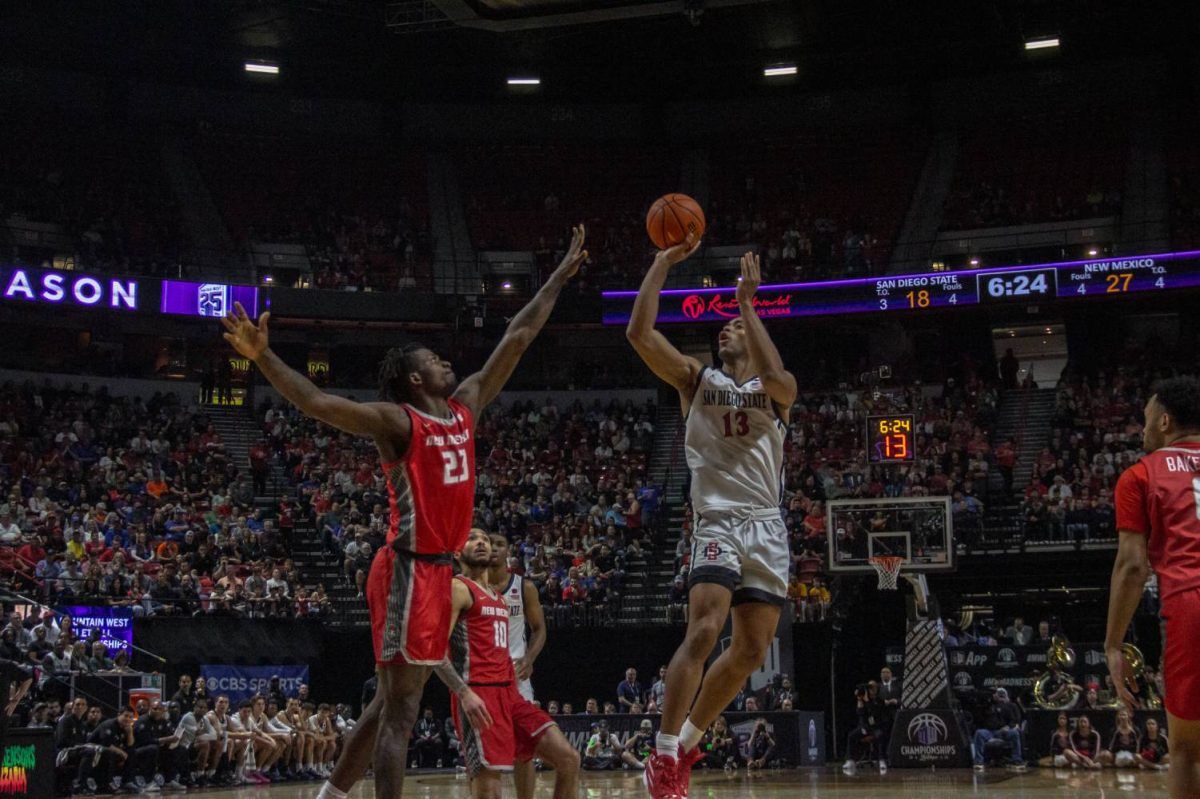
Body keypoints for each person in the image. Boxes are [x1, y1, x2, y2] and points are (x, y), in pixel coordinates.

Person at [223, 225, 587, 799]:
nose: (447, 362)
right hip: (407, 569)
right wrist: (263, 355)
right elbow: (319, 402)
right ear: (416, 378)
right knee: (402, 711)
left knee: (389, 704)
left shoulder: (464, 406)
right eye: (435, 359)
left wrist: (557, 281)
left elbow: (516, 338)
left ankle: (331, 795)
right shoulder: (398, 422)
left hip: (438, 571)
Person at [627, 243, 797, 799]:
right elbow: (639, 334)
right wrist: (662, 264)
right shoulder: (696, 380)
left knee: (749, 651)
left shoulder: (778, 391)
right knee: (704, 630)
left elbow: (773, 374)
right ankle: (665, 752)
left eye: (733, 327)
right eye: (722, 326)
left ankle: (692, 740)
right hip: (718, 520)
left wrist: (749, 306)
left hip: (767, 525)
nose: (724, 330)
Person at [1105, 376, 1200, 798]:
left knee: (1186, 752)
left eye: (1144, 419)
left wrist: (1112, 645)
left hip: (1190, 603)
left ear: (1164, 422)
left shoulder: (1140, 475)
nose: (1140, 429)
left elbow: (1131, 566)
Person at [445, 529, 580, 799]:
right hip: (480, 694)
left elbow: (537, 630)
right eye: (472, 538)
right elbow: (434, 650)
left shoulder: (499, 595)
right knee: (489, 790)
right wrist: (463, 692)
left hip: (512, 692)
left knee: (569, 758)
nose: (482, 542)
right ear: (457, 553)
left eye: (485, 538)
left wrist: (528, 660)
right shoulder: (457, 587)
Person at [489, 533, 548, 799]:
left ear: (508, 553)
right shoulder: (468, 587)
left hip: (516, 675)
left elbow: (539, 629)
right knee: (488, 749)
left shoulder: (524, 587)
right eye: (488, 543)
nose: (492, 548)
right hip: (484, 676)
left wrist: (530, 658)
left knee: (524, 748)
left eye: (499, 544)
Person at [971, 688, 1023, 771]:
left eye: (1002, 695)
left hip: (1002, 732)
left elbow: (1013, 720)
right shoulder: (987, 706)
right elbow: (980, 720)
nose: (1000, 696)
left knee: (1014, 733)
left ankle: (1017, 761)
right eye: (998, 694)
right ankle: (979, 762)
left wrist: (1008, 727)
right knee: (979, 733)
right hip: (989, 732)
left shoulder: (1008, 706)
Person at [842, 682, 885, 774]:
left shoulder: (879, 701)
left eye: (873, 688)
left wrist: (867, 701)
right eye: (869, 689)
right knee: (851, 736)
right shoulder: (864, 700)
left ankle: (882, 761)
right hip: (865, 728)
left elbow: (875, 713)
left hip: (876, 727)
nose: (871, 691)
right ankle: (850, 761)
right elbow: (860, 713)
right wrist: (859, 700)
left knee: (880, 735)